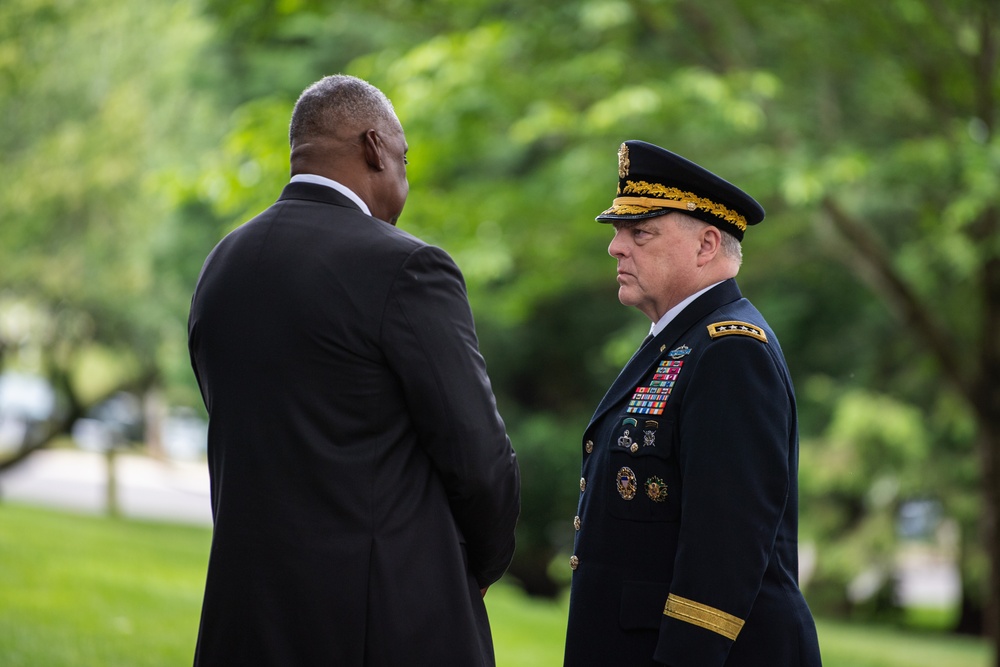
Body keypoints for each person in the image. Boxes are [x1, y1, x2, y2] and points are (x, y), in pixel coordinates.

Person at [187, 74, 520, 667]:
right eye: (404, 159)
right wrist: (483, 565)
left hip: (246, 616)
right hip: (382, 618)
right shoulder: (408, 267)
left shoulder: (224, 264)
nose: (406, 181)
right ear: (373, 147)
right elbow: (478, 454)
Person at [563, 140, 821, 666]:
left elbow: (723, 556)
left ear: (706, 246)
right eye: (618, 233)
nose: (616, 248)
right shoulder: (682, 342)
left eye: (641, 233)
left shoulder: (729, 350)